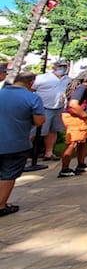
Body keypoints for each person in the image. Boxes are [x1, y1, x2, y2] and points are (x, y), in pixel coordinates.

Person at [0, 72, 45, 217]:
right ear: (31, 82)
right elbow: (39, 121)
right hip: (16, 143)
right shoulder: (32, 98)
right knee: (8, 174)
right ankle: (1, 205)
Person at [58, 70, 87, 177]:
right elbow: (73, 104)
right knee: (72, 143)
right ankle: (65, 169)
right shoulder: (82, 88)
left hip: (75, 117)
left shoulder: (76, 87)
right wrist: (83, 114)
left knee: (83, 141)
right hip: (76, 118)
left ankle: (81, 164)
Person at [32, 60, 71, 160]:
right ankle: (24, 152)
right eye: (60, 66)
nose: (62, 68)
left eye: (64, 66)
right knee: (34, 132)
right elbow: (31, 89)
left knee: (53, 130)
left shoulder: (68, 80)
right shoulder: (42, 78)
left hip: (59, 108)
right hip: (43, 108)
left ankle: (49, 152)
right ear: (54, 67)